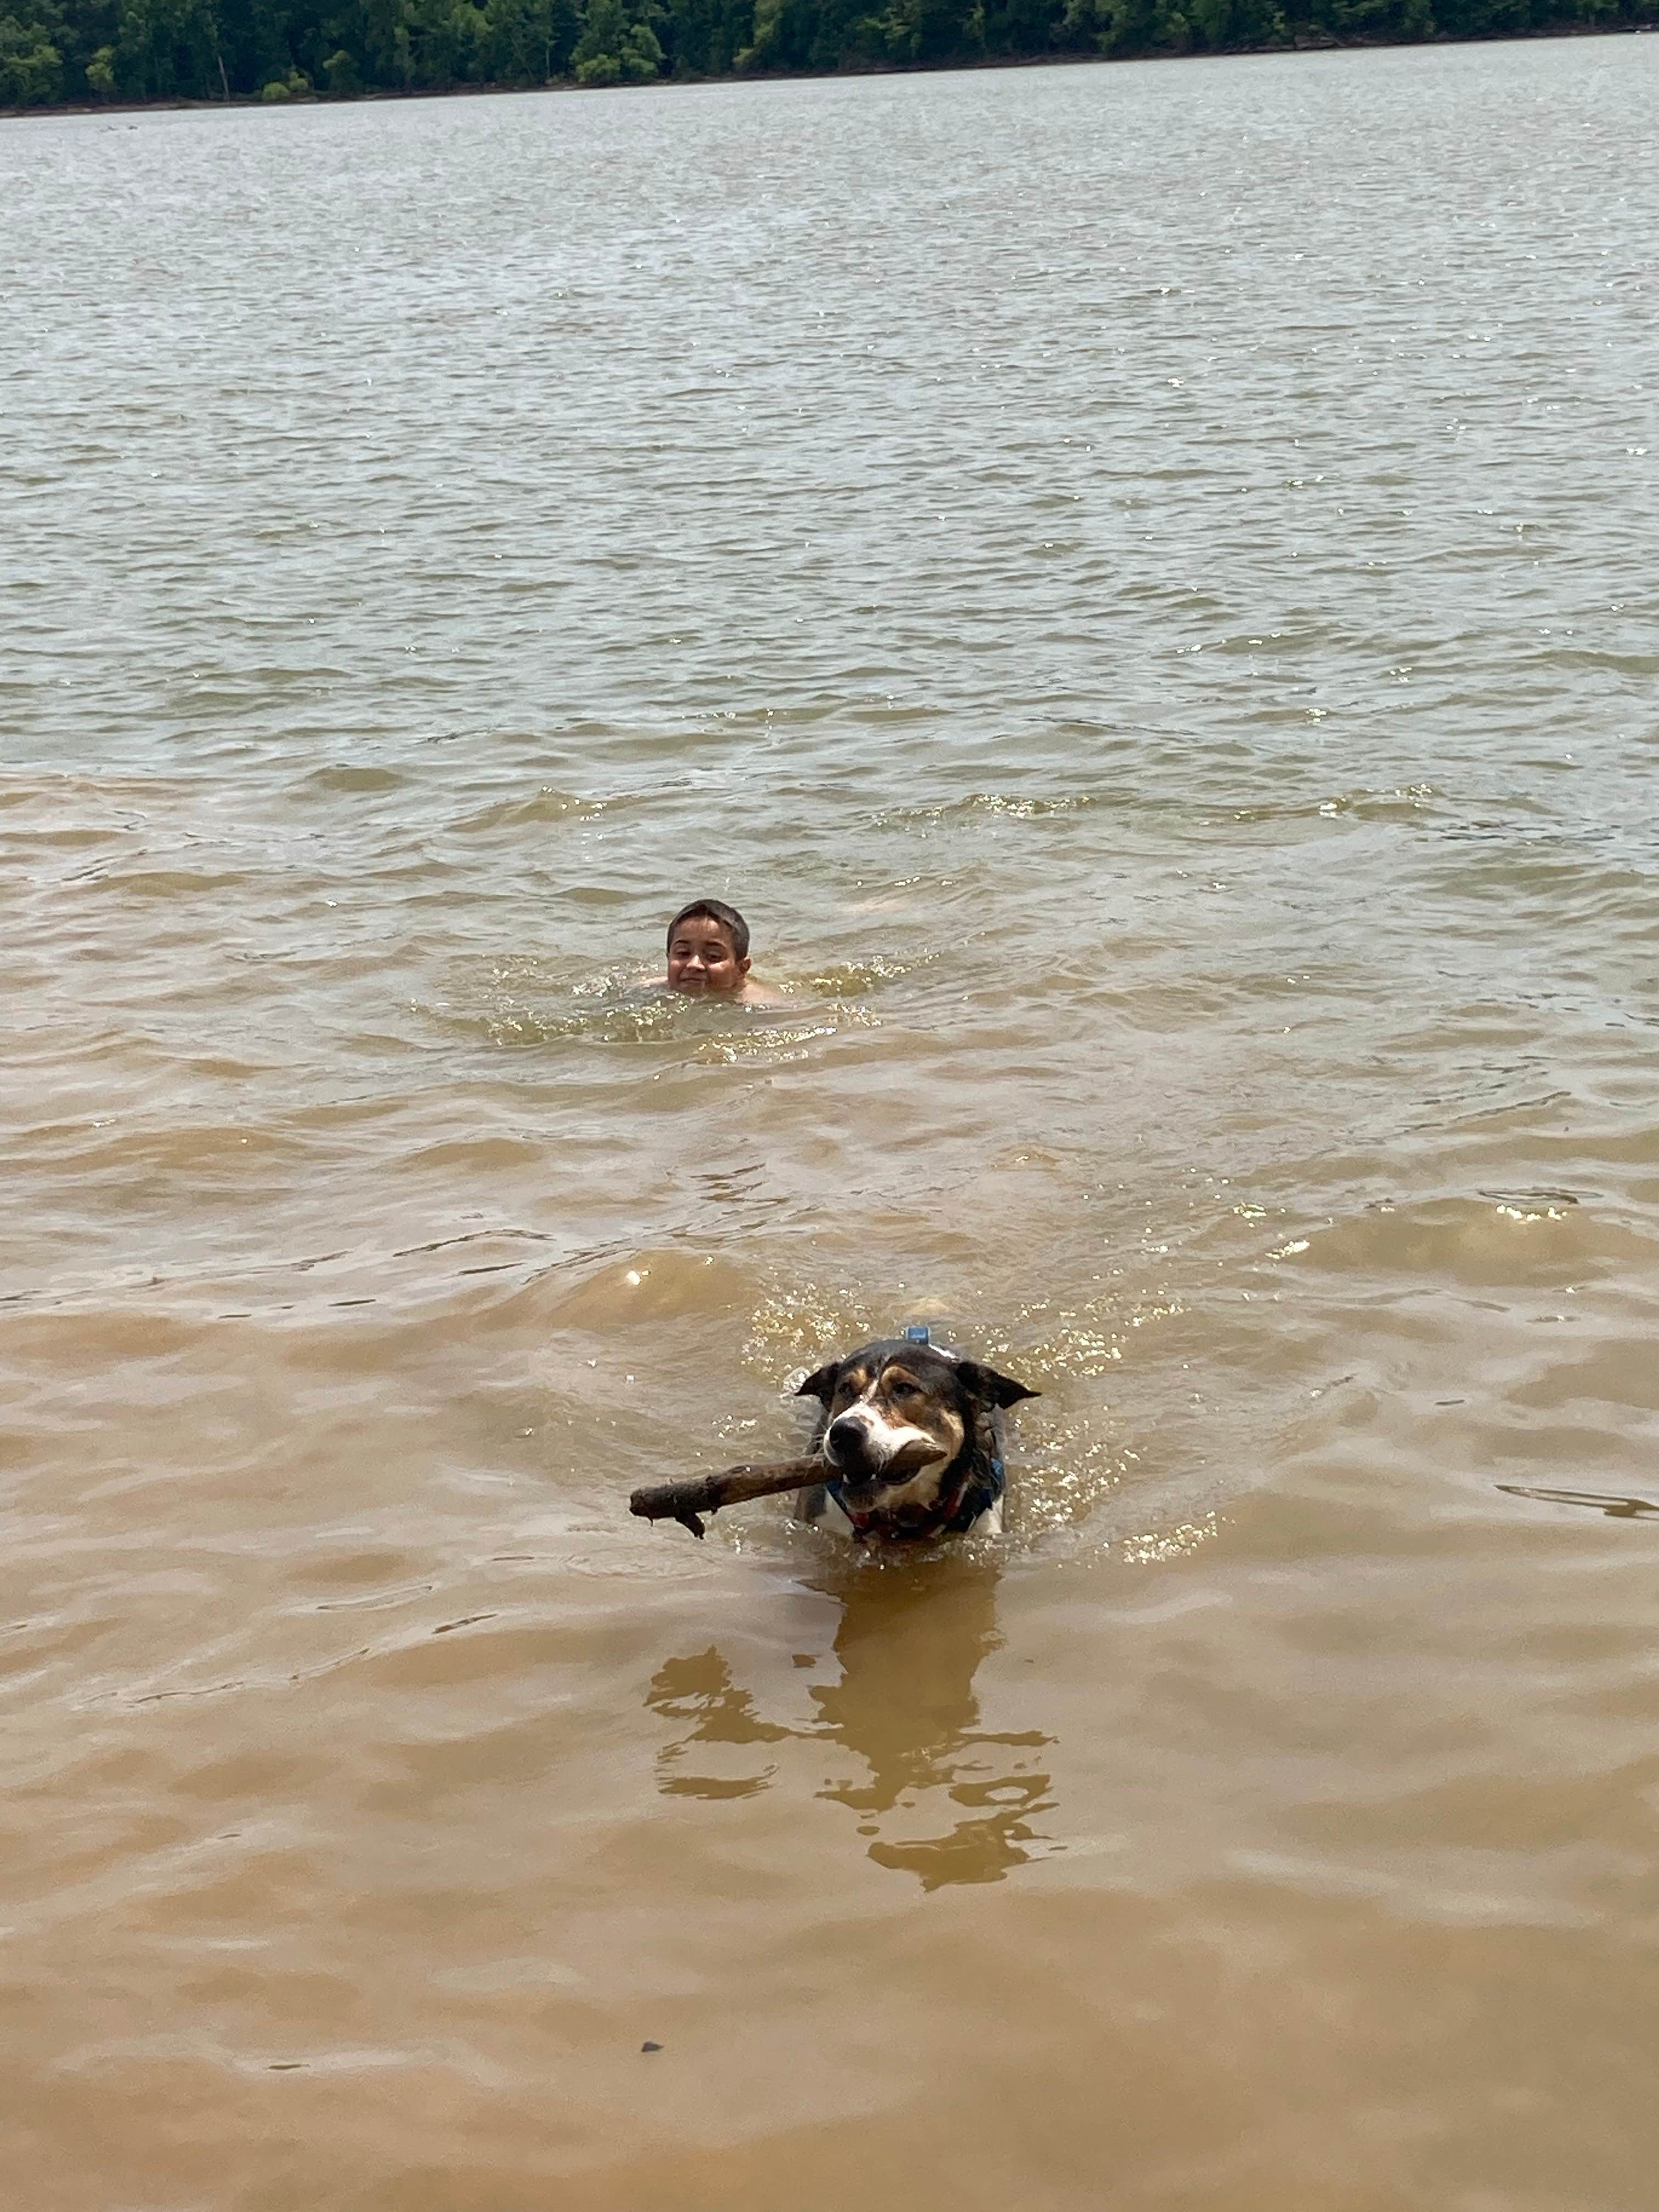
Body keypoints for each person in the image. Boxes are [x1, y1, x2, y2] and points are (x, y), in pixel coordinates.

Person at [655, 899, 783, 1005]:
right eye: (683, 953)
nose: (694, 965)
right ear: (669, 958)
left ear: (742, 969)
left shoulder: (763, 1005)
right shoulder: (653, 990)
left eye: (713, 956)